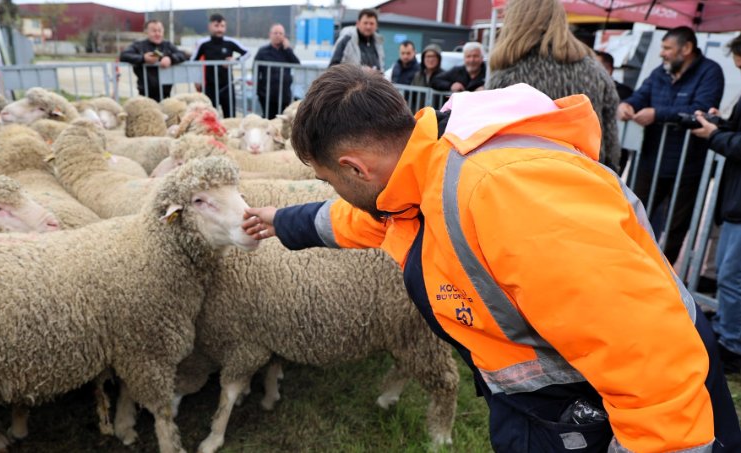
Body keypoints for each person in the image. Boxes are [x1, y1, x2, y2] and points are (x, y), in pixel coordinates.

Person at [243, 63, 741, 453]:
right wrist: (283, 221)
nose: (337, 192)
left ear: (355, 167)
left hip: (620, 415)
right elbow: (373, 219)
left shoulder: (506, 193)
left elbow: (647, 357)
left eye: (332, 181)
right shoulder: (423, 171)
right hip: (551, 409)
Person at [618, 26, 724, 263]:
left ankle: (664, 281)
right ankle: (625, 266)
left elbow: (700, 109)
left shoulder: (710, 72)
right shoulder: (660, 73)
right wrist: (627, 105)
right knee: (632, 216)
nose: (662, 53)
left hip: (687, 166)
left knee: (675, 229)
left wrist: (658, 114)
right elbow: (639, 96)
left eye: (667, 48)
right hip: (649, 160)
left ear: (686, 48)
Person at [487, 0, 620, 173]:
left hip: (522, 180)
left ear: (513, 21)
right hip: (584, 178)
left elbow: (492, 142)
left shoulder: (507, 75)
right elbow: (610, 139)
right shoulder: (595, 70)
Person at [691, 34, 741, 374]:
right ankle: (727, 329)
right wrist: (720, 125)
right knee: (728, 274)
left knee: (730, 276)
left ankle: (732, 345)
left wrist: (714, 136)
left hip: (739, 203)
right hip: (735, 199)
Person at [191, 14, 250, 118]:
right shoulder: (203, 43)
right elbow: (193, 61)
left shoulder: (230, 42)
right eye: (216, 25)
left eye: (222, 26)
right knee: (209, 118)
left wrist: (235, 60)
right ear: (210, 26)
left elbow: (247, 53)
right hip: (210, 87)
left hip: (227, 86)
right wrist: (197, 80)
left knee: (230, 117)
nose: (220, 29)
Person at [119, 20, 186, 102]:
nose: (157, 34)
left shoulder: (167, 45)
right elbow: (124, 55)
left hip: (166, 94)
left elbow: (183, 55)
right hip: (145, 93)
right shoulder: (139, 45)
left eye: (159, 30)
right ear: (146, 32)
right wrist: (143, 58)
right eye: (154, 31)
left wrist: (170, 58)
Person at [254, 23, 301, 120]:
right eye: (275, 33)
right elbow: (255, 70)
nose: (278, 35)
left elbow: (297, 64)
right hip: (267, 95)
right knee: (269, 121)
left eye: (281, 33)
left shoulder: (286, 51)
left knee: (283, 120)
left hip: (284, 95)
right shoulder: (262, 51)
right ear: (270, 35)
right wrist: (259, 91)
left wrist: (288, 49)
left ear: (284, 36)